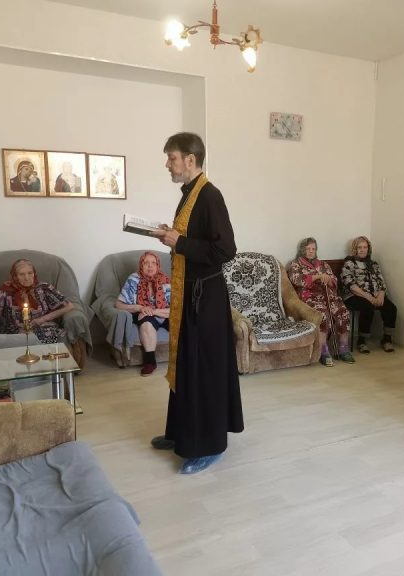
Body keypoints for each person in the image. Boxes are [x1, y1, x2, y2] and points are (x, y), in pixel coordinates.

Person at [148, 132, 243, 475]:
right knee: (187, 366)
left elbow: (226, 250)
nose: (167, 164)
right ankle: (180, 432)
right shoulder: (190, 193)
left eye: (171, 157)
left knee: (204, 371)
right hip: (190, 294)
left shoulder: (210, 195)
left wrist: (180, 242)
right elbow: (191, 240)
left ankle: (209, 446)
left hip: (207, 298)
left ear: (190, 159)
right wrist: (171, 237)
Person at [0, 258, 73, 344]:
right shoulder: (6, 291)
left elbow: (68, 306)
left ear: (34, 273)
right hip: (17, 333)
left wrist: (41, 319)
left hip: (45, 328)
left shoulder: (44, 288)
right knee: (27, 340)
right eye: (21, 274)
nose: (27, 278)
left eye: (30, 273)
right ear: (15, 276)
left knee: (59, 337)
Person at [288, 238, 354, 367]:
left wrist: (328, 279)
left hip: (328, 296)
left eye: (313, 249)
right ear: (302, 250)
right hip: (310, 298)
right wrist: (317, 277)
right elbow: (296, 279)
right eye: (308, 249)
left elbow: (334, 280)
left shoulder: (323, 264)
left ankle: (343, 348)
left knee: (343, 312)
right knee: (323, 315)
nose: (311, 251)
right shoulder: (296, 264)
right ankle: (323, 350)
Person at [115, 251, 171, 376]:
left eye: (153, 263)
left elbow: (176, 308)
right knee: (146, 324)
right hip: (143, 314)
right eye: (146, 263)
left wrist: (154, 311)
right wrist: (140, 307)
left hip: (163, 312)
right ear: (141, 265)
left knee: (183, 320)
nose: (150, 266)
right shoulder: (134, 279)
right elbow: (118, 304)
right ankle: (150, 362)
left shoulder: (165, 280)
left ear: (158, 266)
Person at [340, 236, 397, 353]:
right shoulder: (349, 263)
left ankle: (387, 339)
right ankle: (361, 341)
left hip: (374, 295)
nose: (362, 250)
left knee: (391, 308)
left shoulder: (373, 264)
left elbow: (381, 282)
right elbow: (350, 285)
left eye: (365, 247)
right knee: (367, 307)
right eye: (359, 247)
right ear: (355, 249)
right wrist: (369, 298)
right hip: (354, 296)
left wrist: (381, 295)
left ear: (368, 249)